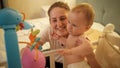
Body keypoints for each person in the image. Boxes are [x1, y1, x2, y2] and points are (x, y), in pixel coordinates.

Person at [53, 3, 101, 68]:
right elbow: (69, 44)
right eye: (69, 22)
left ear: (87, 28)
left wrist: (70, 52)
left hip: (79, 65)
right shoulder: (72, 35)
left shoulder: (81, 38)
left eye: (74, 25)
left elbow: (88, 47)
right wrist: (60, 38)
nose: (69, 27)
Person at [36, 1, 70, 68]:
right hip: (54, 61)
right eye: (54, 20)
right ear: (50, 22)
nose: (59, 24)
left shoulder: (76, 31)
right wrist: (29, 48)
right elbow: (36, 43)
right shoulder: (49, 30)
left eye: (63, 18)